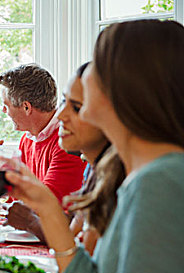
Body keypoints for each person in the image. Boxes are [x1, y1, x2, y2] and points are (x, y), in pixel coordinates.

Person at [6, 20, 184, 273]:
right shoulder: (134, 174)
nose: (87, 73)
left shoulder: (164, 183)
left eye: (99, 65)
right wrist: (47, 209)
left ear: (129, 90)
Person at [7, 63, 125, 255]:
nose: (60, 114)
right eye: (63, 101)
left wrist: (36, 214)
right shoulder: (94, 171)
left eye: (77, 107)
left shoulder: (124, 181)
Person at [0, 64, 86, 203]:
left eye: (6, 105)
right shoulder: (28, 138)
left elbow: (46, 203)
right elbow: (17, 194)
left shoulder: (67, 141)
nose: (3, 110)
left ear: (26, 107)